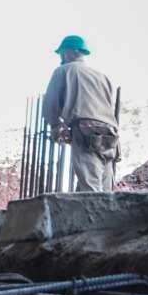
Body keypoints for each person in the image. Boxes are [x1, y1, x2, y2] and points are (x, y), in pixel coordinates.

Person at [43, 34, 120, 192]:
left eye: (62, 53)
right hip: (110, 133)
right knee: (104, 186)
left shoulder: (63, 71)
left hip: (86, 129)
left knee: (90, 186)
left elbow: (51, 104)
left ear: (70, 52)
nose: (61, 57)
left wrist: (56, 127)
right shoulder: (102, 77)